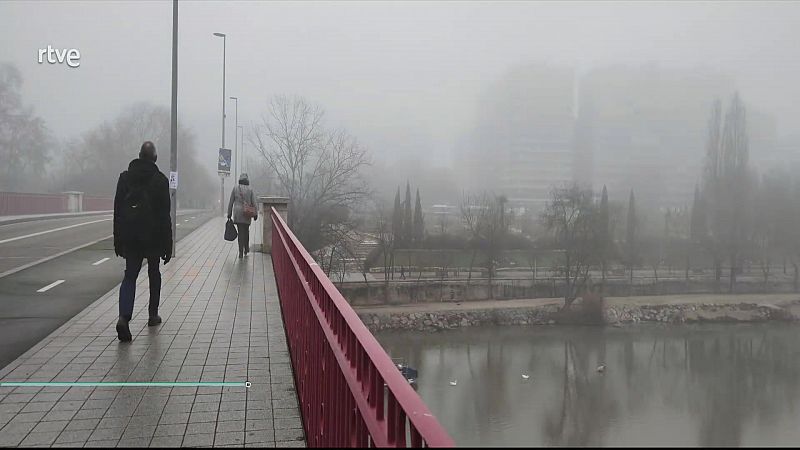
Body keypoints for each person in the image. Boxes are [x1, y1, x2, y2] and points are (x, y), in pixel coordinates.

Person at [113, 141, 172, 342]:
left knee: (129, 276)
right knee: (154, 273)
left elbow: (118, 211)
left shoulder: (125, 178)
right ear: (154, 158)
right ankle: (152, 314)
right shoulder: (160, 180)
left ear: (139, 155)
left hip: (130, 236)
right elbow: (165, 216)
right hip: (153, 237)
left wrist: (118, 239)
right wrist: (168, 245)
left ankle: (124, 317)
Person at [228, 172, 258, 258]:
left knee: (240, 232)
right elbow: (254, 203)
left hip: (238, 214)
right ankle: (246, 248)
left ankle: (241, 251)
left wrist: (229, 213)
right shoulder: (250, 190)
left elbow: (231, 202)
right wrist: (255, 214)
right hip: (247, 213)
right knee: (246, 231)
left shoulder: (235, 188)